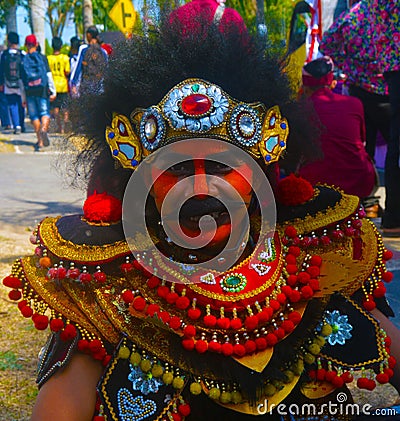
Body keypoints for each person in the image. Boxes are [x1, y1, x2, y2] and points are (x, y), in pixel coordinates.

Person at [3, 8, 400, 421]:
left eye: (223, 166)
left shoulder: (315, 256)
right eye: (175, 168)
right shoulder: (104, 288)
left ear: (261, 165)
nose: (199, 189)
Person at [319, 0, 391, 163]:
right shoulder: (387, 10)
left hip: (358, 89)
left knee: (365, 149)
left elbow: (326, 44)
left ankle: (368, 184)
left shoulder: (352, 14)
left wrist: (349, 66)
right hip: (383, 89)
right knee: (394, 146)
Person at [298, 57, 377, 201]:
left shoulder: (298, 109)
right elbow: (361, 142)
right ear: (331, 83)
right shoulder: (354, 104)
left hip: (314, 184)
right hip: (358, 183)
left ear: (305, 86)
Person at [371, 0, 400, 236]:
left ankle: (392, 216)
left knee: (395, 144)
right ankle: (392, 217)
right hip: (392, 72)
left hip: (387, 73)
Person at [21, 34, 56, 151]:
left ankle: (40, 142)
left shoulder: (23, 60)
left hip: (30, 91)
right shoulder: (42, 58)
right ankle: (44, 130)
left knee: (34, 116)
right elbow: (48, 75)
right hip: (42, 90)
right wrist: (53, 90)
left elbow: (22, 81)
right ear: (36, 44)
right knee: (44, 112)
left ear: (26, 45)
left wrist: (23, 98)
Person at [69, 26, 108, 96]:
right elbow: (106, 69)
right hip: (98, 86)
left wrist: (73, 83)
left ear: (89, 35)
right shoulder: (103, 52)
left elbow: (78, 67)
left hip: (86, 85)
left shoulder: (83, 49)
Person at [0, 31, 26, 134]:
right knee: (21, 104)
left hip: (8, 83)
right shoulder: (22, 54)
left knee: (12, 104)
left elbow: (1, 70)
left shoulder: (4, 55)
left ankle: (17, 125)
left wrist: (1, 83)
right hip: (20, 83)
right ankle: (22, 124)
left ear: (9, 41)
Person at [47, 36, 70, 134]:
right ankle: (65, 124)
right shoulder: (65, 58)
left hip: (54, 86)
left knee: (55, 107)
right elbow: (67, 71)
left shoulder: (49, 58)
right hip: (63, 85)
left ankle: (59, 127)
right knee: (64, 107)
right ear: (61, 46)